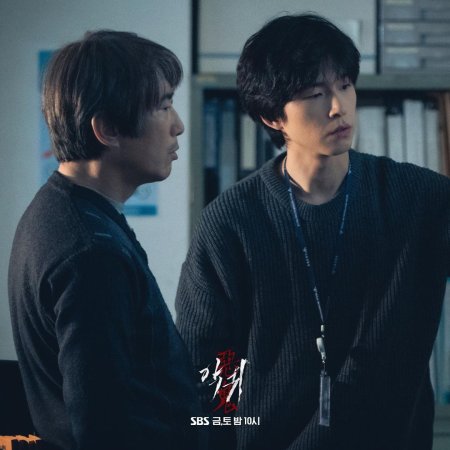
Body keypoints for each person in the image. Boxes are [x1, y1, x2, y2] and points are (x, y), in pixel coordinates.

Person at [175, 13, 450, 450]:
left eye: (344, 85)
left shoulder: (417, 198)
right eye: (315, 95)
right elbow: (210, 360)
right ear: (273, 117)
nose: (338, 107)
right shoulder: (231, 221)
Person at [8, 30, 205, 450]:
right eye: (163, 106)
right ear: (108, 128)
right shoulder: (89, 252)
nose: (178, 125)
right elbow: (104, 427)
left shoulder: (63, 212)